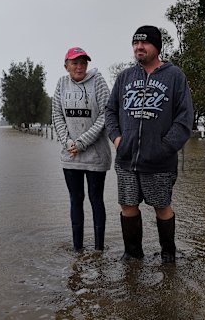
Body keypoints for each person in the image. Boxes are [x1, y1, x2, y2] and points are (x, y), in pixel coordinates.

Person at [105, 25, 193, 263]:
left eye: (144, 43)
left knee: (161, 206)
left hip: (160, 162)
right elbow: (110, 111)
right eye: (135, 43)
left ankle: (168, 255)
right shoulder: (125, 77)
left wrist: (164, 148)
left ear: (156, 46)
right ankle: (133, 255)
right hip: (126, 159)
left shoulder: (175, 76)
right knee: (128, 205)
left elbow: (185, 119)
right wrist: (117, 139)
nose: (138, 47)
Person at [52, 47, 112, 251]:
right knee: (75, 200)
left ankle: (98, 250)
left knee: (96, 200)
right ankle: (77, 250)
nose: (79, 67)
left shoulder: (99, 82)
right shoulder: (61, 83)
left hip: (96, 155)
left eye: (83, 63)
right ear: (66, 66)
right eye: (75, 63)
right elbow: (57, 115)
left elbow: (106, 115)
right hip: (70, 156)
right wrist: (67, 141)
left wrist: (82, 142)